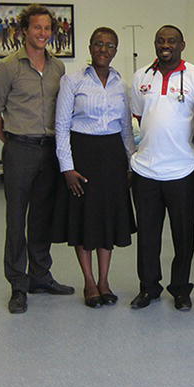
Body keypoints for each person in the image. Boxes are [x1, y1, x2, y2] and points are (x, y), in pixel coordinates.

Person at [0, 4, 75, 314]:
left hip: (49, 150)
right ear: (24, 31)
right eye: (37, 28)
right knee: (16, 218)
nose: (43, 33)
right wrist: (10, 140)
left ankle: (40, 276)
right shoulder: (7, 68)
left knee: (42, 217)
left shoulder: (58, 68)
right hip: (20, 149)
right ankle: (18, 285)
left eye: (48, 28)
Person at [53, 27, 136, 308]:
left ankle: (104, 281)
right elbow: (62, 127)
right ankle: (88, 282)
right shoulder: (72, 81)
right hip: (82, 155)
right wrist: (67, 167)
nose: (104, 49)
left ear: (115, 50)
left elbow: (126, 128)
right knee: (84, 219)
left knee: (107, 219)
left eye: (110, 45)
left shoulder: (119, 84)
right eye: (99, 44)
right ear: (90, 47)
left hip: (112, 157)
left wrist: (130, 162)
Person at [129, 25, 194, 311]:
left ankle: (181, 289)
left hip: (183, 171)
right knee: (148, 237)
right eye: (161, 41)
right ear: (154, 44)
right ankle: (148, 288)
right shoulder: (141, 77)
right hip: (146, 171)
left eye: (172, 41)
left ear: (182, 45)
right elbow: (138, 116)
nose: (166, 45)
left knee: (183, 236)